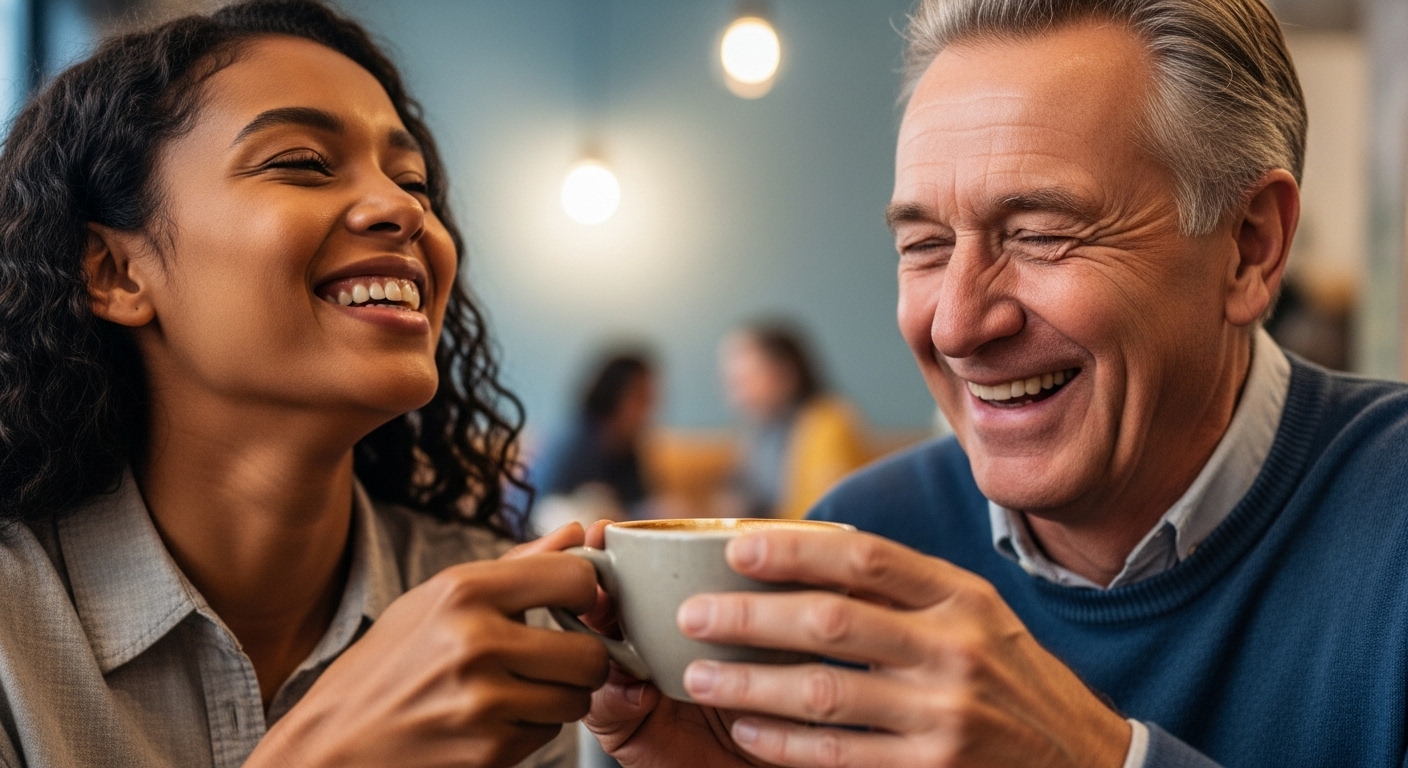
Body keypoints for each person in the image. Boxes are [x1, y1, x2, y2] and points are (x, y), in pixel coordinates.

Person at [578, 1, 1408, 767]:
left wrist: (1097, 758)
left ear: (1249, 247)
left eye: (1040, 233)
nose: (956, 326)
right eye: (925, 247)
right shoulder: (860, 544)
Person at [0, 2, 609, 766]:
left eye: (413, 181)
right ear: (116, 271)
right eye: (303, 163)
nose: (403, 208)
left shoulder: (492, 611)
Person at [718, 322, 868, 520]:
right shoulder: (760, 432)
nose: (739, 398)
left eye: (746, 381)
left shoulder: (828, 423)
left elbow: (821, 515)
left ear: (785, 373)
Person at [532, 351, 658, 529]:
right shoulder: (574, 441)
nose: (649, 409)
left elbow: (636, 503)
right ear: (615, 395)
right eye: (641, 397)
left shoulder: (627, 447)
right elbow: (541, 509)